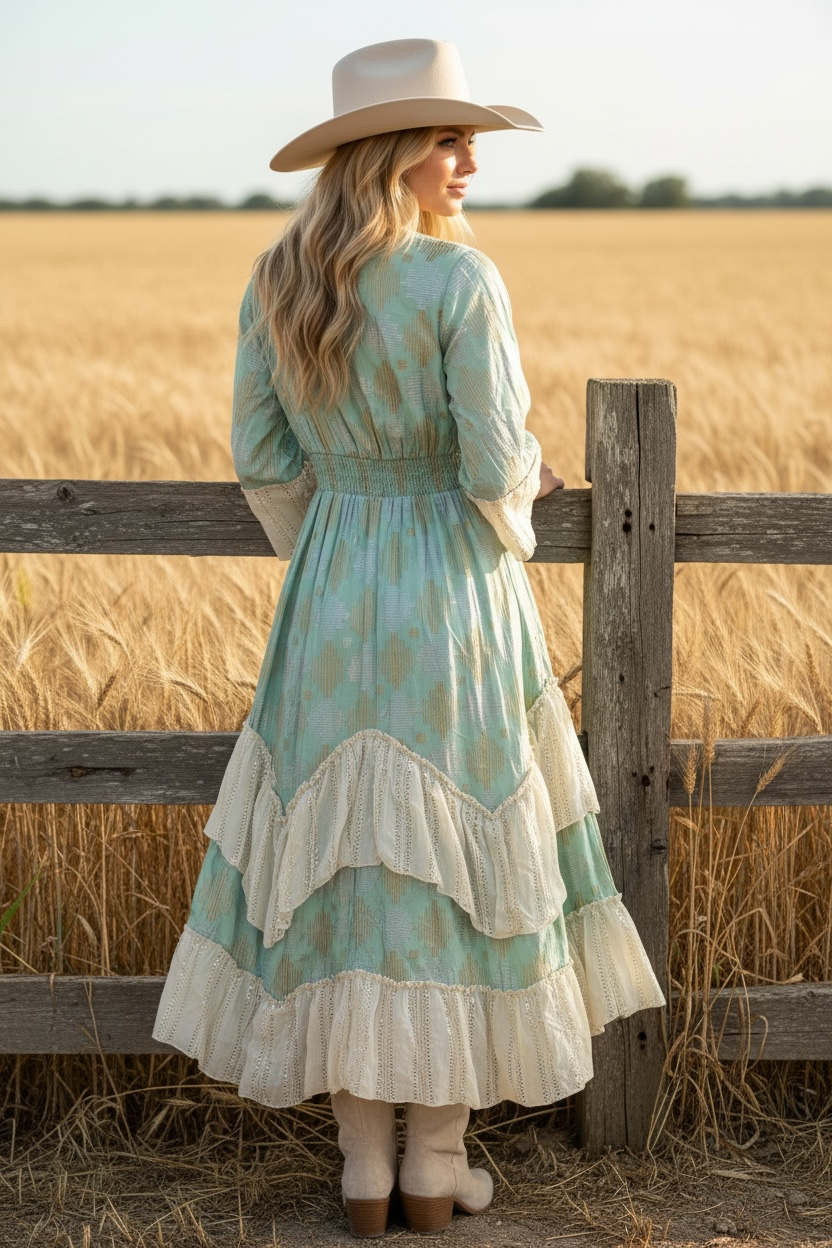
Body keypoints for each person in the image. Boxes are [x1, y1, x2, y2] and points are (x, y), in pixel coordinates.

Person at [152, 38, 666, 1238]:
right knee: (455, 865)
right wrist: (521, 496)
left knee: (341, 875)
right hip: (451, 596)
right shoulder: (457, 282)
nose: (469, 159)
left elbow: (264, 462)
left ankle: (363, 1177)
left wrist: (339, 544)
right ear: (386, 152)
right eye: (447, 137)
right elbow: (494, 464)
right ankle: (437, 1172)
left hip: (333, 590)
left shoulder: (279, 278)